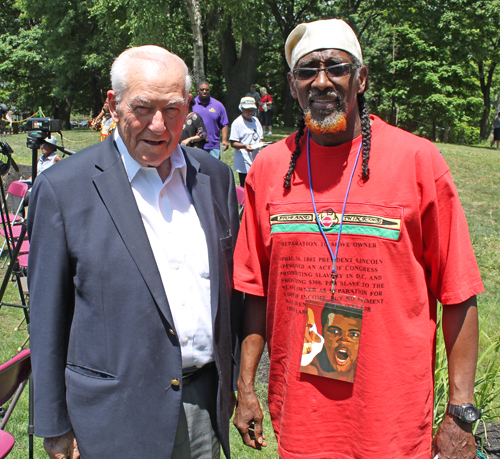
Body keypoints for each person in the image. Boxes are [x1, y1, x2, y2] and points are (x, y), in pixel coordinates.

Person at [233, 18, 483, 459]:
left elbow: (458, 292)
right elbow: (254, 289)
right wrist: (246, 387)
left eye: (337, 68)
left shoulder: (417, 161)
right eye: (307, 71)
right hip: (302, 420)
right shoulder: (270, 169)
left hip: (393, 419)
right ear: (293, 85)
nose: (322, 81)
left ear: (361, 78)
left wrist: (460, 412)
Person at [27, 45, 242, 459]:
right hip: (111, 417)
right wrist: (54, 425)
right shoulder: (63, 189)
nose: (159, 126)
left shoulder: (213, 177)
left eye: (173, 110)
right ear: (113, 104)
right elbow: (48, 317)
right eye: (143, 108)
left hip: (202, 405)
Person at [229, 97, 263, 187]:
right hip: (243, 160)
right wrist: (245, 146)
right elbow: (233, 143)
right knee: (246, 186)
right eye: (248, 110)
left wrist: (264, 144)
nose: (250, 112)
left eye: (252, 110)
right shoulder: (237, 123)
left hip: (255, 158)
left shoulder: (256, 121)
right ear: (242, 108)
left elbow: (259, 138)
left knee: (257, 185)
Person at [193, 81, 229, 159]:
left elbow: (224, 124)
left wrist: (225, 140)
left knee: (214, 169)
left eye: (207, 89)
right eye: (202, 89)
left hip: (213, 145)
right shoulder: (192, 104)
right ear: (198, 90)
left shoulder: (218, 105)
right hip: (196, 144)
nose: (204, 91)